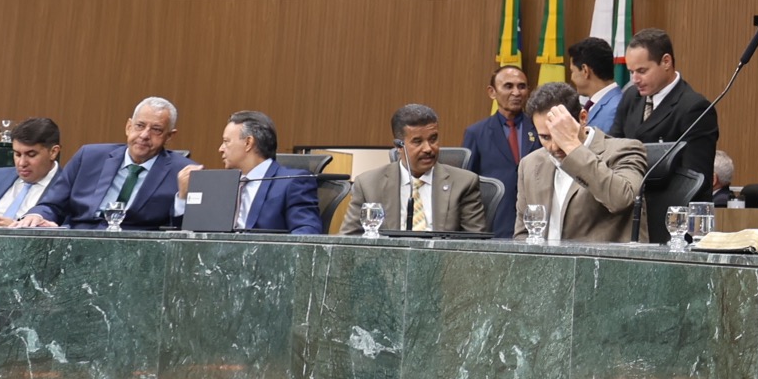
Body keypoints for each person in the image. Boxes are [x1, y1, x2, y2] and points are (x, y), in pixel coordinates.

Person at [611, 29, 718, 239]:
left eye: (642, 71)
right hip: (628, 217)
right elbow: (613, 148)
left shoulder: (694, 108)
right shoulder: (630, 97)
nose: (635, 79)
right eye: (631, 72)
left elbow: (695, 180)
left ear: (666, 62)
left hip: (671, 225)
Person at [511, 85, 649, 243]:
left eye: (560, 134)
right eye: (545, 137)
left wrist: (572, 147)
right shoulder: (529, 164)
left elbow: (621, 200)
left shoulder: (626, 150)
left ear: (583, 118)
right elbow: (523, 235)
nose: (554, 147)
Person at [333, 103, 488, 235]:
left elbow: (475, 245)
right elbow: (348, 240)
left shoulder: (464, 183)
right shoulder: (368, 184)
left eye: (433, 139)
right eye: (417, 141)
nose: (428, 148)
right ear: (399, 146)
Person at [34, 100, 190, 231]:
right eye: (140, 125)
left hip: (136, 249)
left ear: (169, 136)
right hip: (78, 242)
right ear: (129, 126)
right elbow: (52, 204)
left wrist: (183, 198)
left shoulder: (182, 171)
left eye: (156, 130)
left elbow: (184, 231)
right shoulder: (88, 157)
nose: (144, 135)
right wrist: (37, 215)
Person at [170, 112, 322, 235]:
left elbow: (306, 234)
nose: (220, 149)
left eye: (226, 141)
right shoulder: (220, 184)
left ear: (248, 143)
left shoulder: (292, 182)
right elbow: (190, 234)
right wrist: (183, 198)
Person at [460, 64, 536, 237]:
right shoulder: (476, 133)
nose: (516, 92)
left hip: (535, 224)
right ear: (492, 92)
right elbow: (466, 185)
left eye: (522, 86)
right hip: (494, 224)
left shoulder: (540, 130)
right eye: (508, 86)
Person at [563, 37, 627, 135]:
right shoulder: (613, 103)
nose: (571, 78)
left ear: (585, 70)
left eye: (572, 71)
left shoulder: (615, 109)